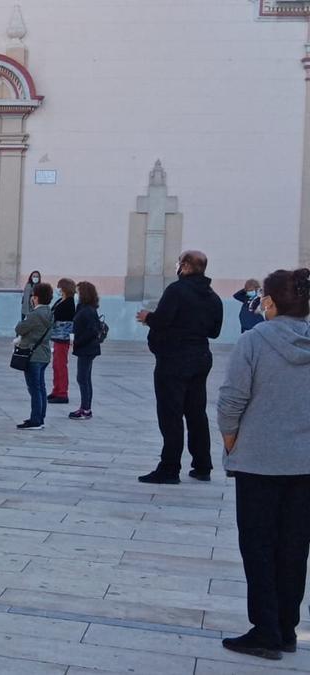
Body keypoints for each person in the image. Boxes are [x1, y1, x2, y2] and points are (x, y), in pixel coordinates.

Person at [216, 268, 310, 661]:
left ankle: (266, 630)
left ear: (268, 302)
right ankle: (286, 628)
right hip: (304, 466)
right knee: (294, 549)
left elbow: (231, 400)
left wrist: (233, 441)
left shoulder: (254, 341)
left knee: (258, 547)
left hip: (258, 465)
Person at [136, 250, 224, 484]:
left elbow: (162, 321)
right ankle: (202, 465)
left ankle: (169, 467)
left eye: (179, 263)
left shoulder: (176, 291)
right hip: (201, 357)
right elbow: (215, 332)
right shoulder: (213, 297)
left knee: (171, 414)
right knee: (196, 412)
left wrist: (147, 317)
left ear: (185, 266)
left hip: (174, 359)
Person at [15, 282, 54, 430]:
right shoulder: (50, 313)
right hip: (43, 354)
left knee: (34, 388)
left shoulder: (35, 314)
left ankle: (35, 419)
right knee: (41, 387)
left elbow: (20, 328)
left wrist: (25, 319)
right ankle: (40, 417)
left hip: (32, 355)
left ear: (36, 298)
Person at [69, 281, 102, 420]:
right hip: (85, 348)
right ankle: (85, 407)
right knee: (85, 378)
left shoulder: (88, 310)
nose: (76, 295)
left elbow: (92, 331)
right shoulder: (82, 307)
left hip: (87, 349)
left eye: (78, 292)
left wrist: (77, 341)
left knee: (82, 378)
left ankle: (86, 409)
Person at [48, 278, 76, 404]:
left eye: (59, 287)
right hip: (56, 336)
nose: (58, 289)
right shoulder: (61, 300)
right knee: (56, 365)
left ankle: (62, 393)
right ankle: (56, 389)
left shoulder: (69, 302)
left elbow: (58, 316)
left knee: (61, 365)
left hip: (63, 337)